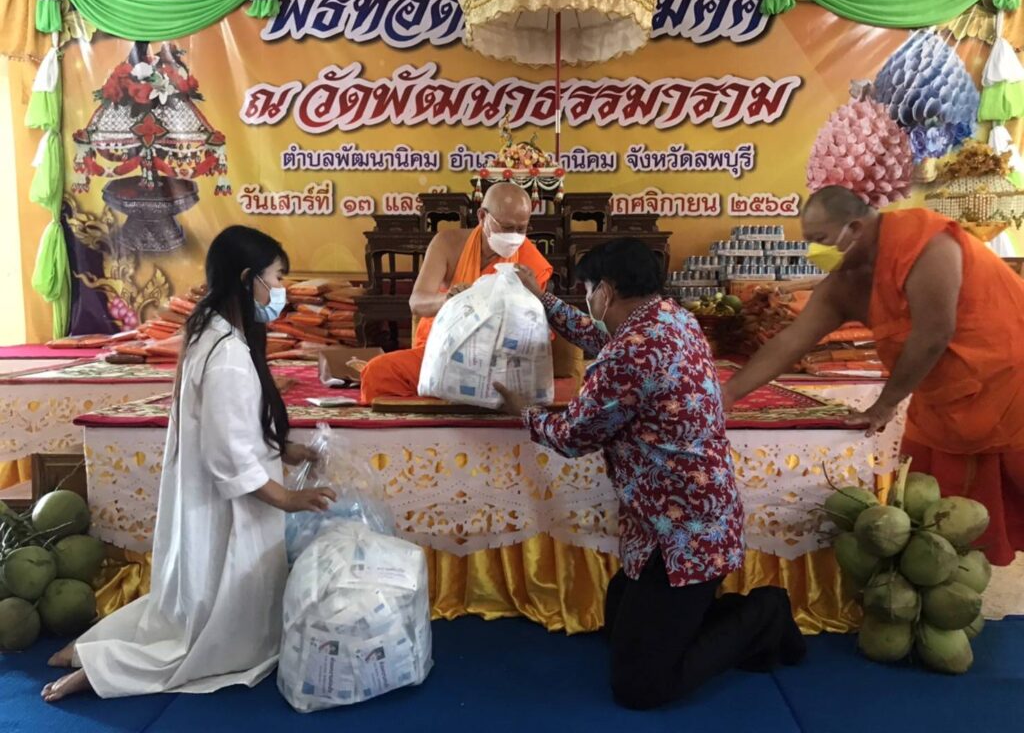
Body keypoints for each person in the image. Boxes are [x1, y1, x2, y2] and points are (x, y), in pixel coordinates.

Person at [493, 238, 805, 710]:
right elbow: (601, 339)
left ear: (606, 290)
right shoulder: (669, 318)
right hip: (675, 519)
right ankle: (714, 621)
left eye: (588, 290)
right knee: (619, 627)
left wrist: (524, 411)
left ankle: (767, 613)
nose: (588, 300)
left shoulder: (633, 351)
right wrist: (545, 300)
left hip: (683, 534)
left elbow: (573, 436)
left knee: (640, 686)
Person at [42, 226, 337, 702]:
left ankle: (87, 650)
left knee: (188, 608)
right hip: (228, 508)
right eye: (277, 278)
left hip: (210, 499)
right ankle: (100, 670)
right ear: (248, 278)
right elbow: (229, 455)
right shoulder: (228, 355)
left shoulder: (212, 334)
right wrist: (287, 498)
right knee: (219, 641)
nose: (281, 290)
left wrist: (285, 450)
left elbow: (234, 423)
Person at [724, 186, 1024, 566]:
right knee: (934, 502)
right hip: (941, 394)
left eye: (820, 239)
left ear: (854, 228)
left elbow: (933, 333)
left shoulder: (927, 244)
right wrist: (729, 393)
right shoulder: (846, 283)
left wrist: (884, 405)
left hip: (1006, 378)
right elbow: (792, 341)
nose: (814, 251)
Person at [359, 182, 552, 403]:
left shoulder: (530, 262)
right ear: (482, 216)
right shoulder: (449, 244)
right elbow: (417, 302)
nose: (514, 237)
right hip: (444, 351)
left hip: (498, 361)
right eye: (507, 227)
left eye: (521, 229)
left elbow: (534, 329)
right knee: (377, 372)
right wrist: (449, 299)